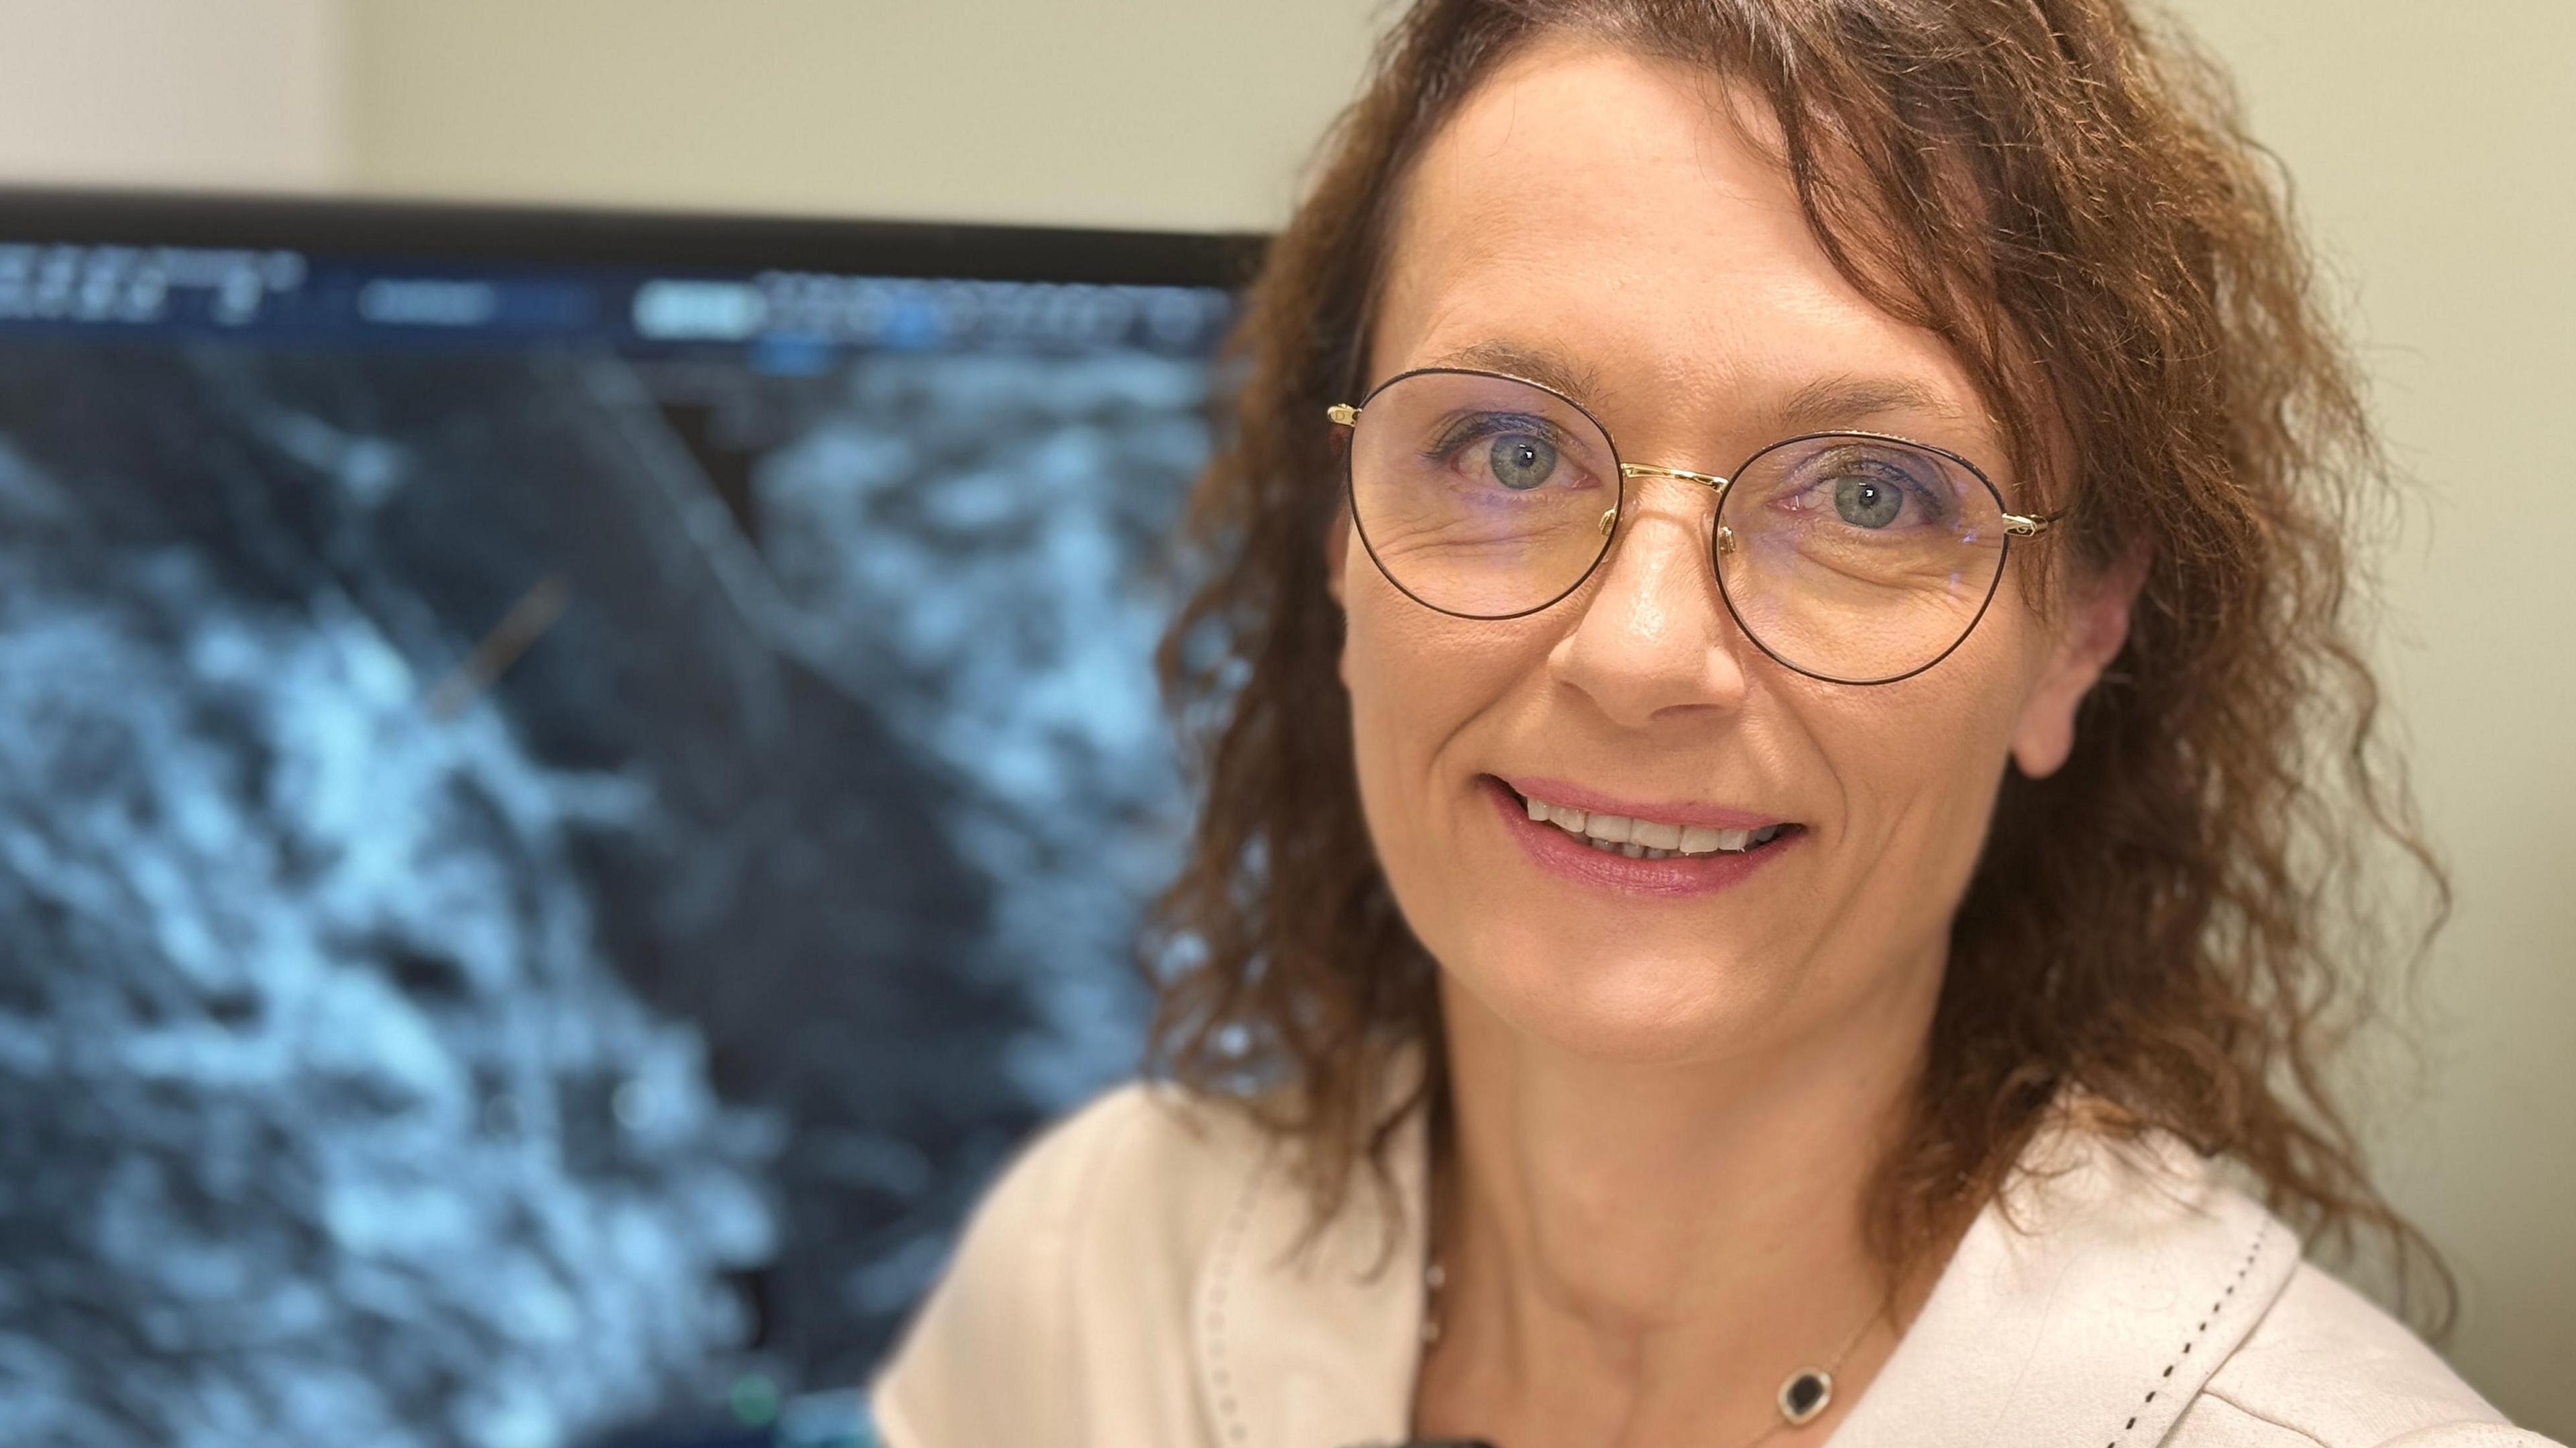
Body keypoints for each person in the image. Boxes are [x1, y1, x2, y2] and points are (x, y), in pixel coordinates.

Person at [870, 1, 2559, 1444]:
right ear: (1340, 527)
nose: (1643, 651)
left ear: (2079, 637)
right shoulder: (1089, 1290)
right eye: (1509, 453)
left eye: (1876, 494)